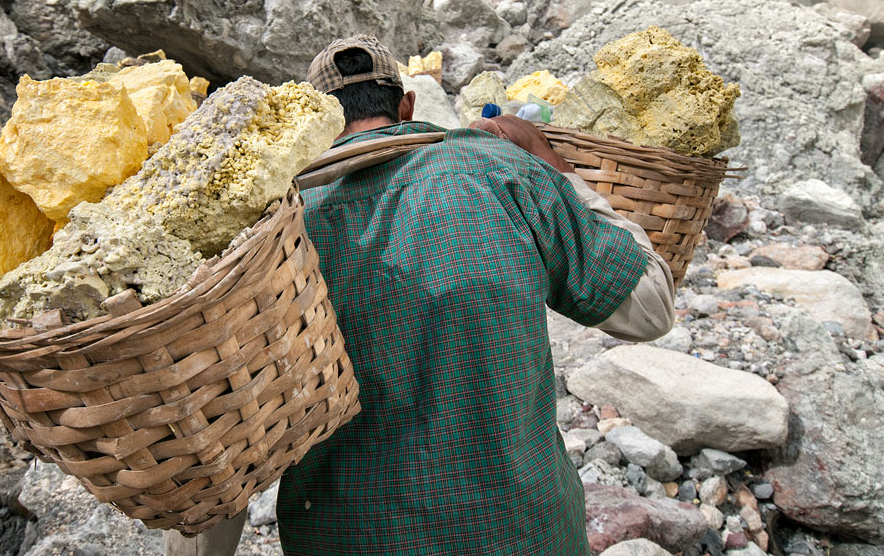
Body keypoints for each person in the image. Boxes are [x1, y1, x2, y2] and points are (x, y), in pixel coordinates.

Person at [271, 35, 676, 555]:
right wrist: (551, 162)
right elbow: (651, 308)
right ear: (406, 104)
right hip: (521, 533)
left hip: (346, 536)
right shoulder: (500, 169)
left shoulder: (277, 223)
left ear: (320, 120)